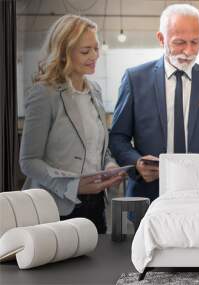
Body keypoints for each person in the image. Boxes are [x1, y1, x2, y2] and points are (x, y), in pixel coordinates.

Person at [109, 4, 199, 202]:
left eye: (195, 42)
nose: (188, 51)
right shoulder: (135, 79)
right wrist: (137, 163)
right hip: (148, 195)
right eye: (179, 42)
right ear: (161, 38)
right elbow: (118, 138)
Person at [19, 15, 124, 234]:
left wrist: (110, 166)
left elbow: (98, 148)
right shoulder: (44, 93)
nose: (94, 56)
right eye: (85, 51)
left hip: (95, 205)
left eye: (96, 49)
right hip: (55, 207)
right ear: (64, 52)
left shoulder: (94, 90)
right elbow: (29, 161)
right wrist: (71, 185)